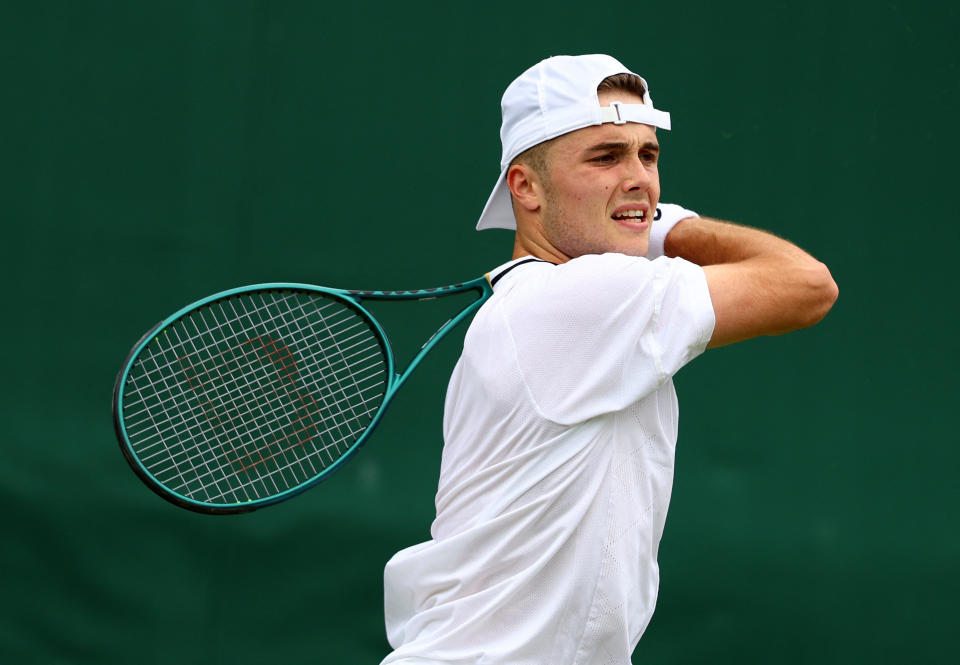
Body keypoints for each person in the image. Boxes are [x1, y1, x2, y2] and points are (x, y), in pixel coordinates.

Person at [379, 54, 838, 665]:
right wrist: (662, 229)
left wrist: (633, 221)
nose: (639, 179)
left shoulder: (551, 301)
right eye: (605, 157)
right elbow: (807, 286)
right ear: (526, 186)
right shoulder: (579, 298)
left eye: (648, 156)